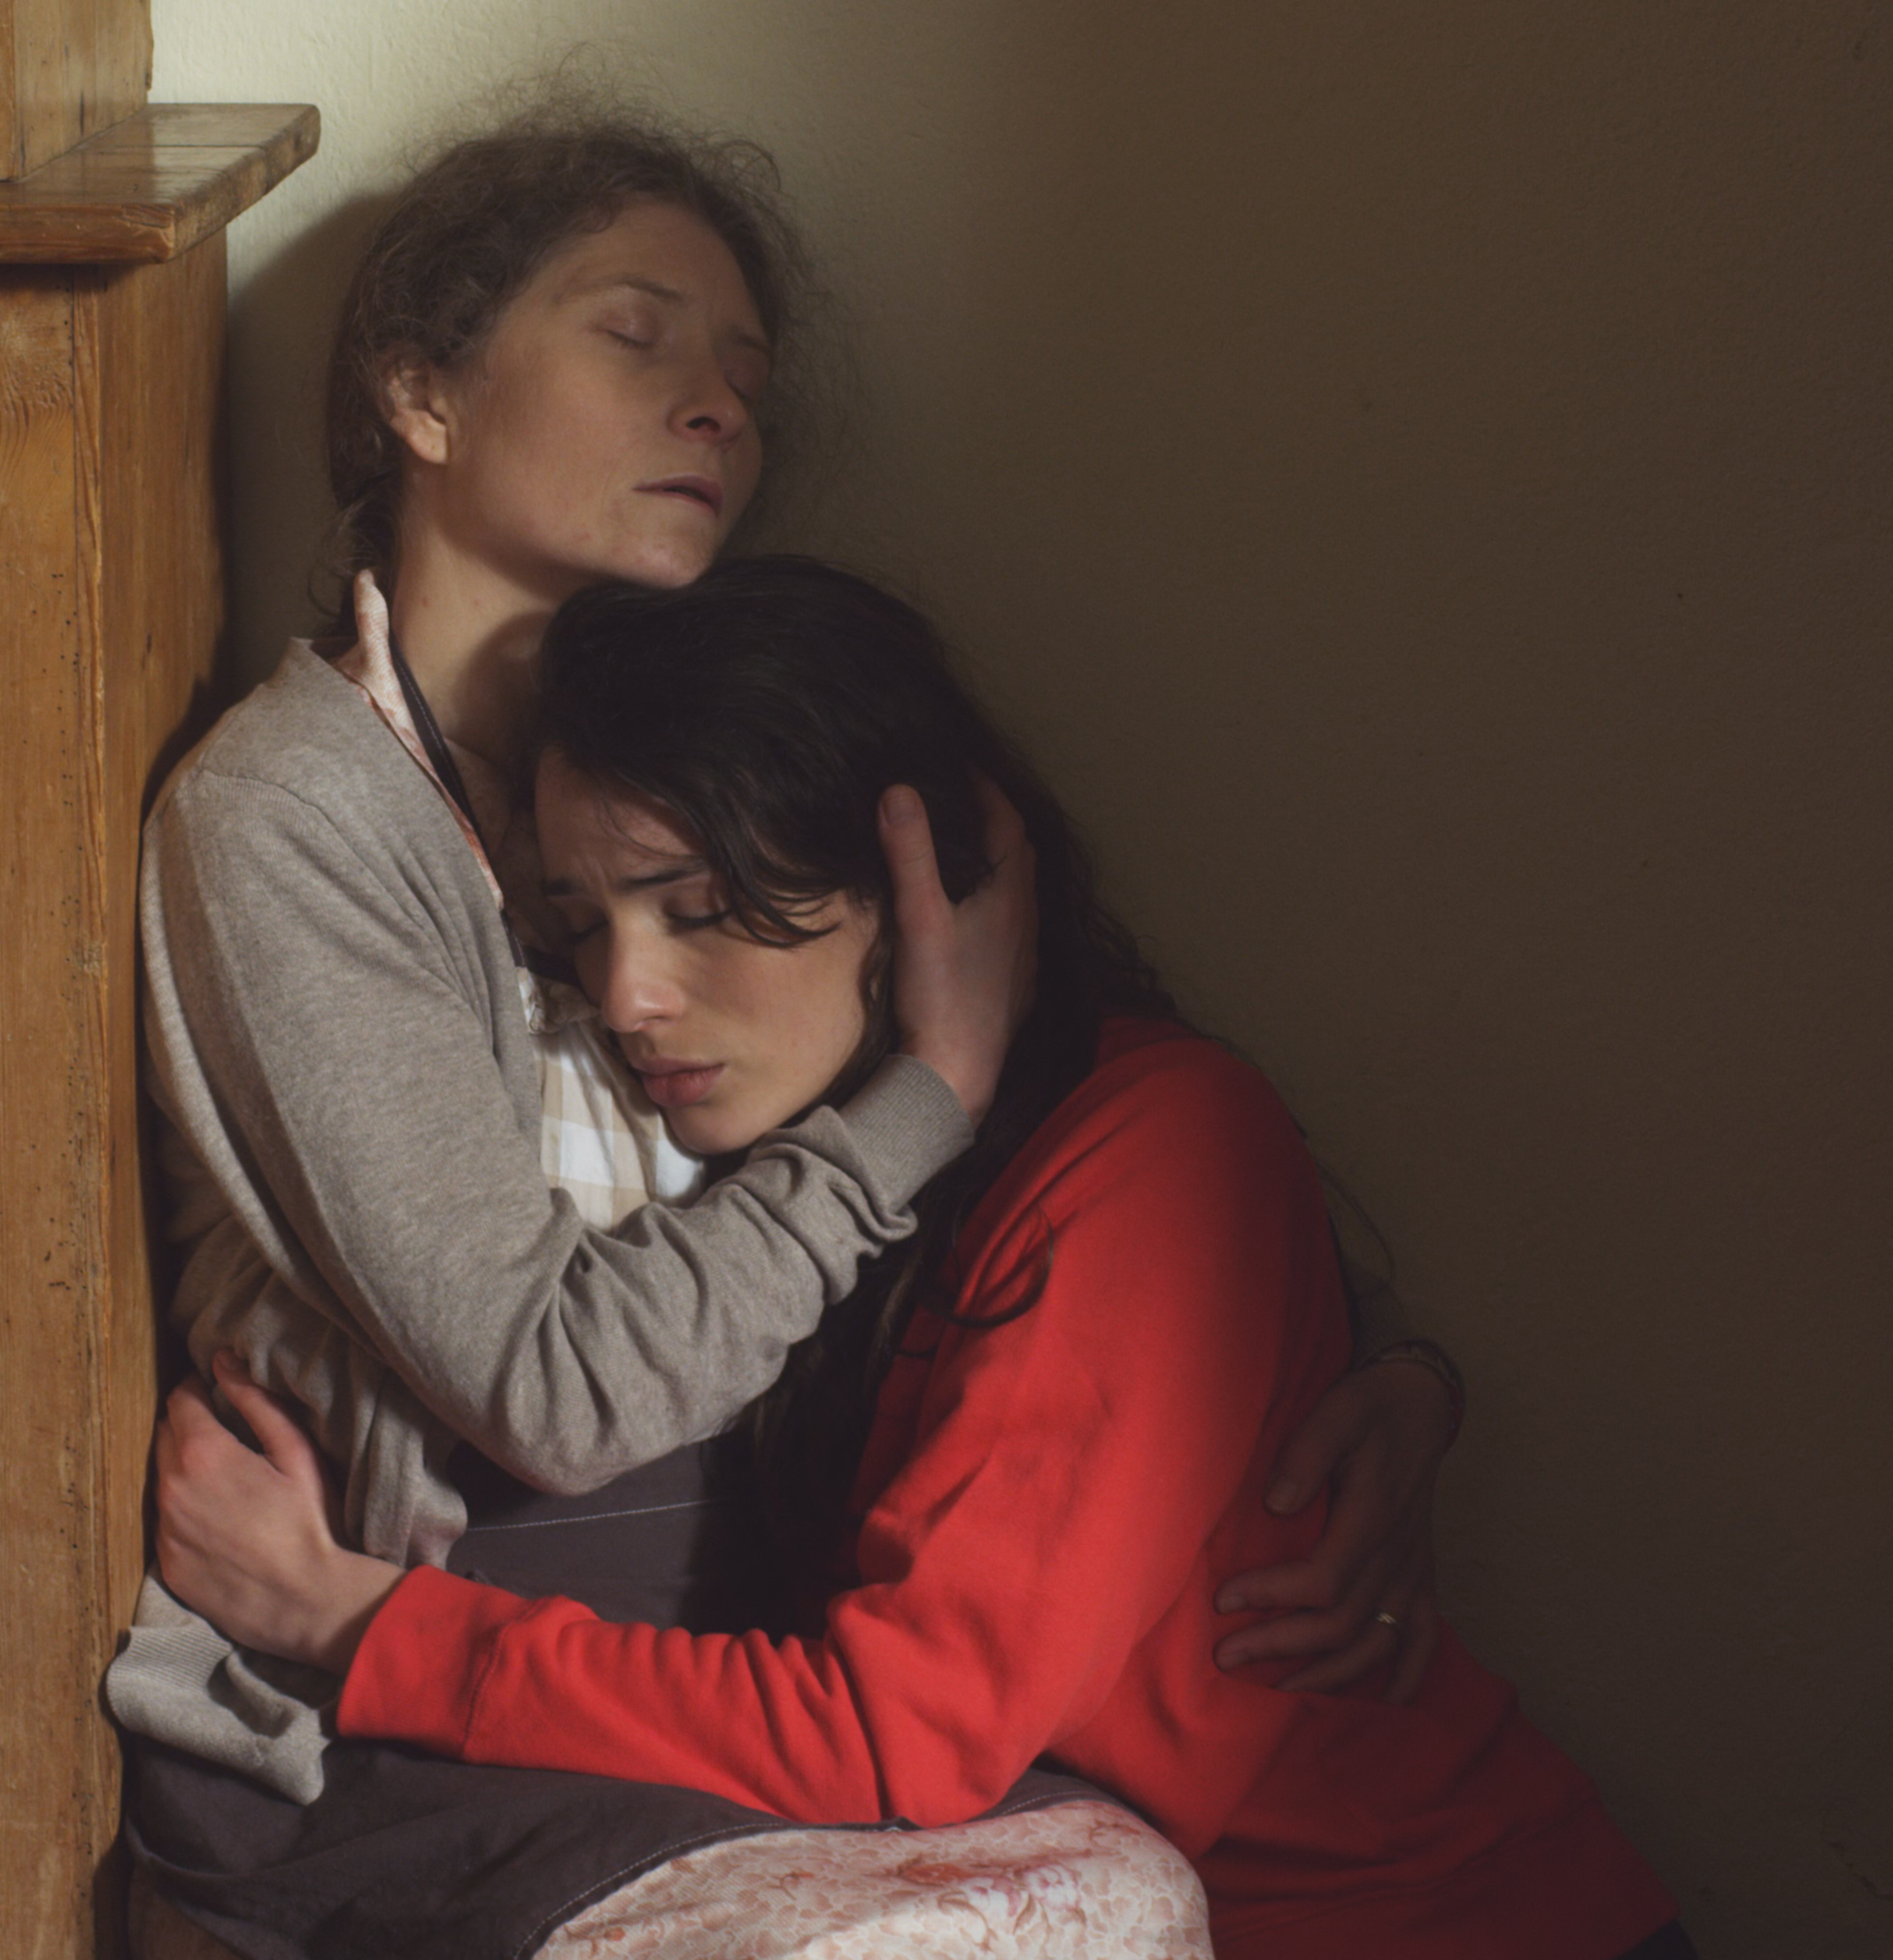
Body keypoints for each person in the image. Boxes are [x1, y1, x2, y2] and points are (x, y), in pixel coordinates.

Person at [112, 104, 1467, 1957]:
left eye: (744, 380)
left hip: (731, 1688)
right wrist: (929, 1088)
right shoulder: (302, 813)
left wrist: (1374, 1373)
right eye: (636, 334)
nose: (715, 411)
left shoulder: (701, 773)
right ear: (418, 388)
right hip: (427, 1713)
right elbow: (558, 1385)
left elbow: (1107, 1193)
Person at [151, 558, 1691, 1960]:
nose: (627, 996)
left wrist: (355, 1622)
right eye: (583, 923)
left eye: (699, 910)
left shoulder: (1147, 1148)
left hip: (1435, 1920)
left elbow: (894, 1735)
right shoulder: (812, 1172)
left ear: (920, 884)